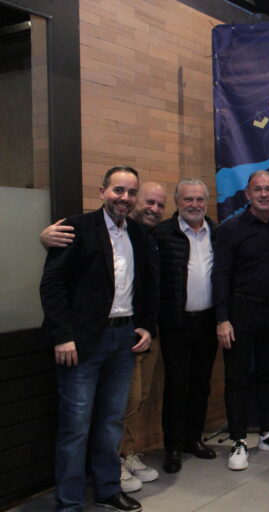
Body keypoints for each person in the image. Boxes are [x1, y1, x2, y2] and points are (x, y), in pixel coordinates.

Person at [40, 166, 157, 512]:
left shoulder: (139, 234)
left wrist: (147, 326)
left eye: (131, 192)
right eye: (118, 190)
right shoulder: (76, 228)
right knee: (75, 426)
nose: (125, 198)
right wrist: (62, 336)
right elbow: (52, 285)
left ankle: (107, 489)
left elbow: (149, 285)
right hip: (80, 343)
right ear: (102, 191)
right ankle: (70, 503)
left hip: (124, 338)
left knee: (111, 421)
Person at [213, 171, 269, 471]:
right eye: (258, 189)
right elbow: (220, 274)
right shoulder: (230, 229)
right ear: (247, 194)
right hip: (240, 311)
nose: (264, 194)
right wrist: (222, 319)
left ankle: (268, 434)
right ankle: (238, 440)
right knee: (237, 377)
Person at [153, 179, 218, 473]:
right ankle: (174, 446)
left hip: (207, 321)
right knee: (176, 386)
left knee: (201, 384)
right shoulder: (162, 233)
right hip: (175, 323)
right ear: (177, 202)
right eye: (188, 199)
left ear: (206, 202)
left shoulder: (215, 232)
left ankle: (194, 439)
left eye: (200, 199)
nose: (194, 204)